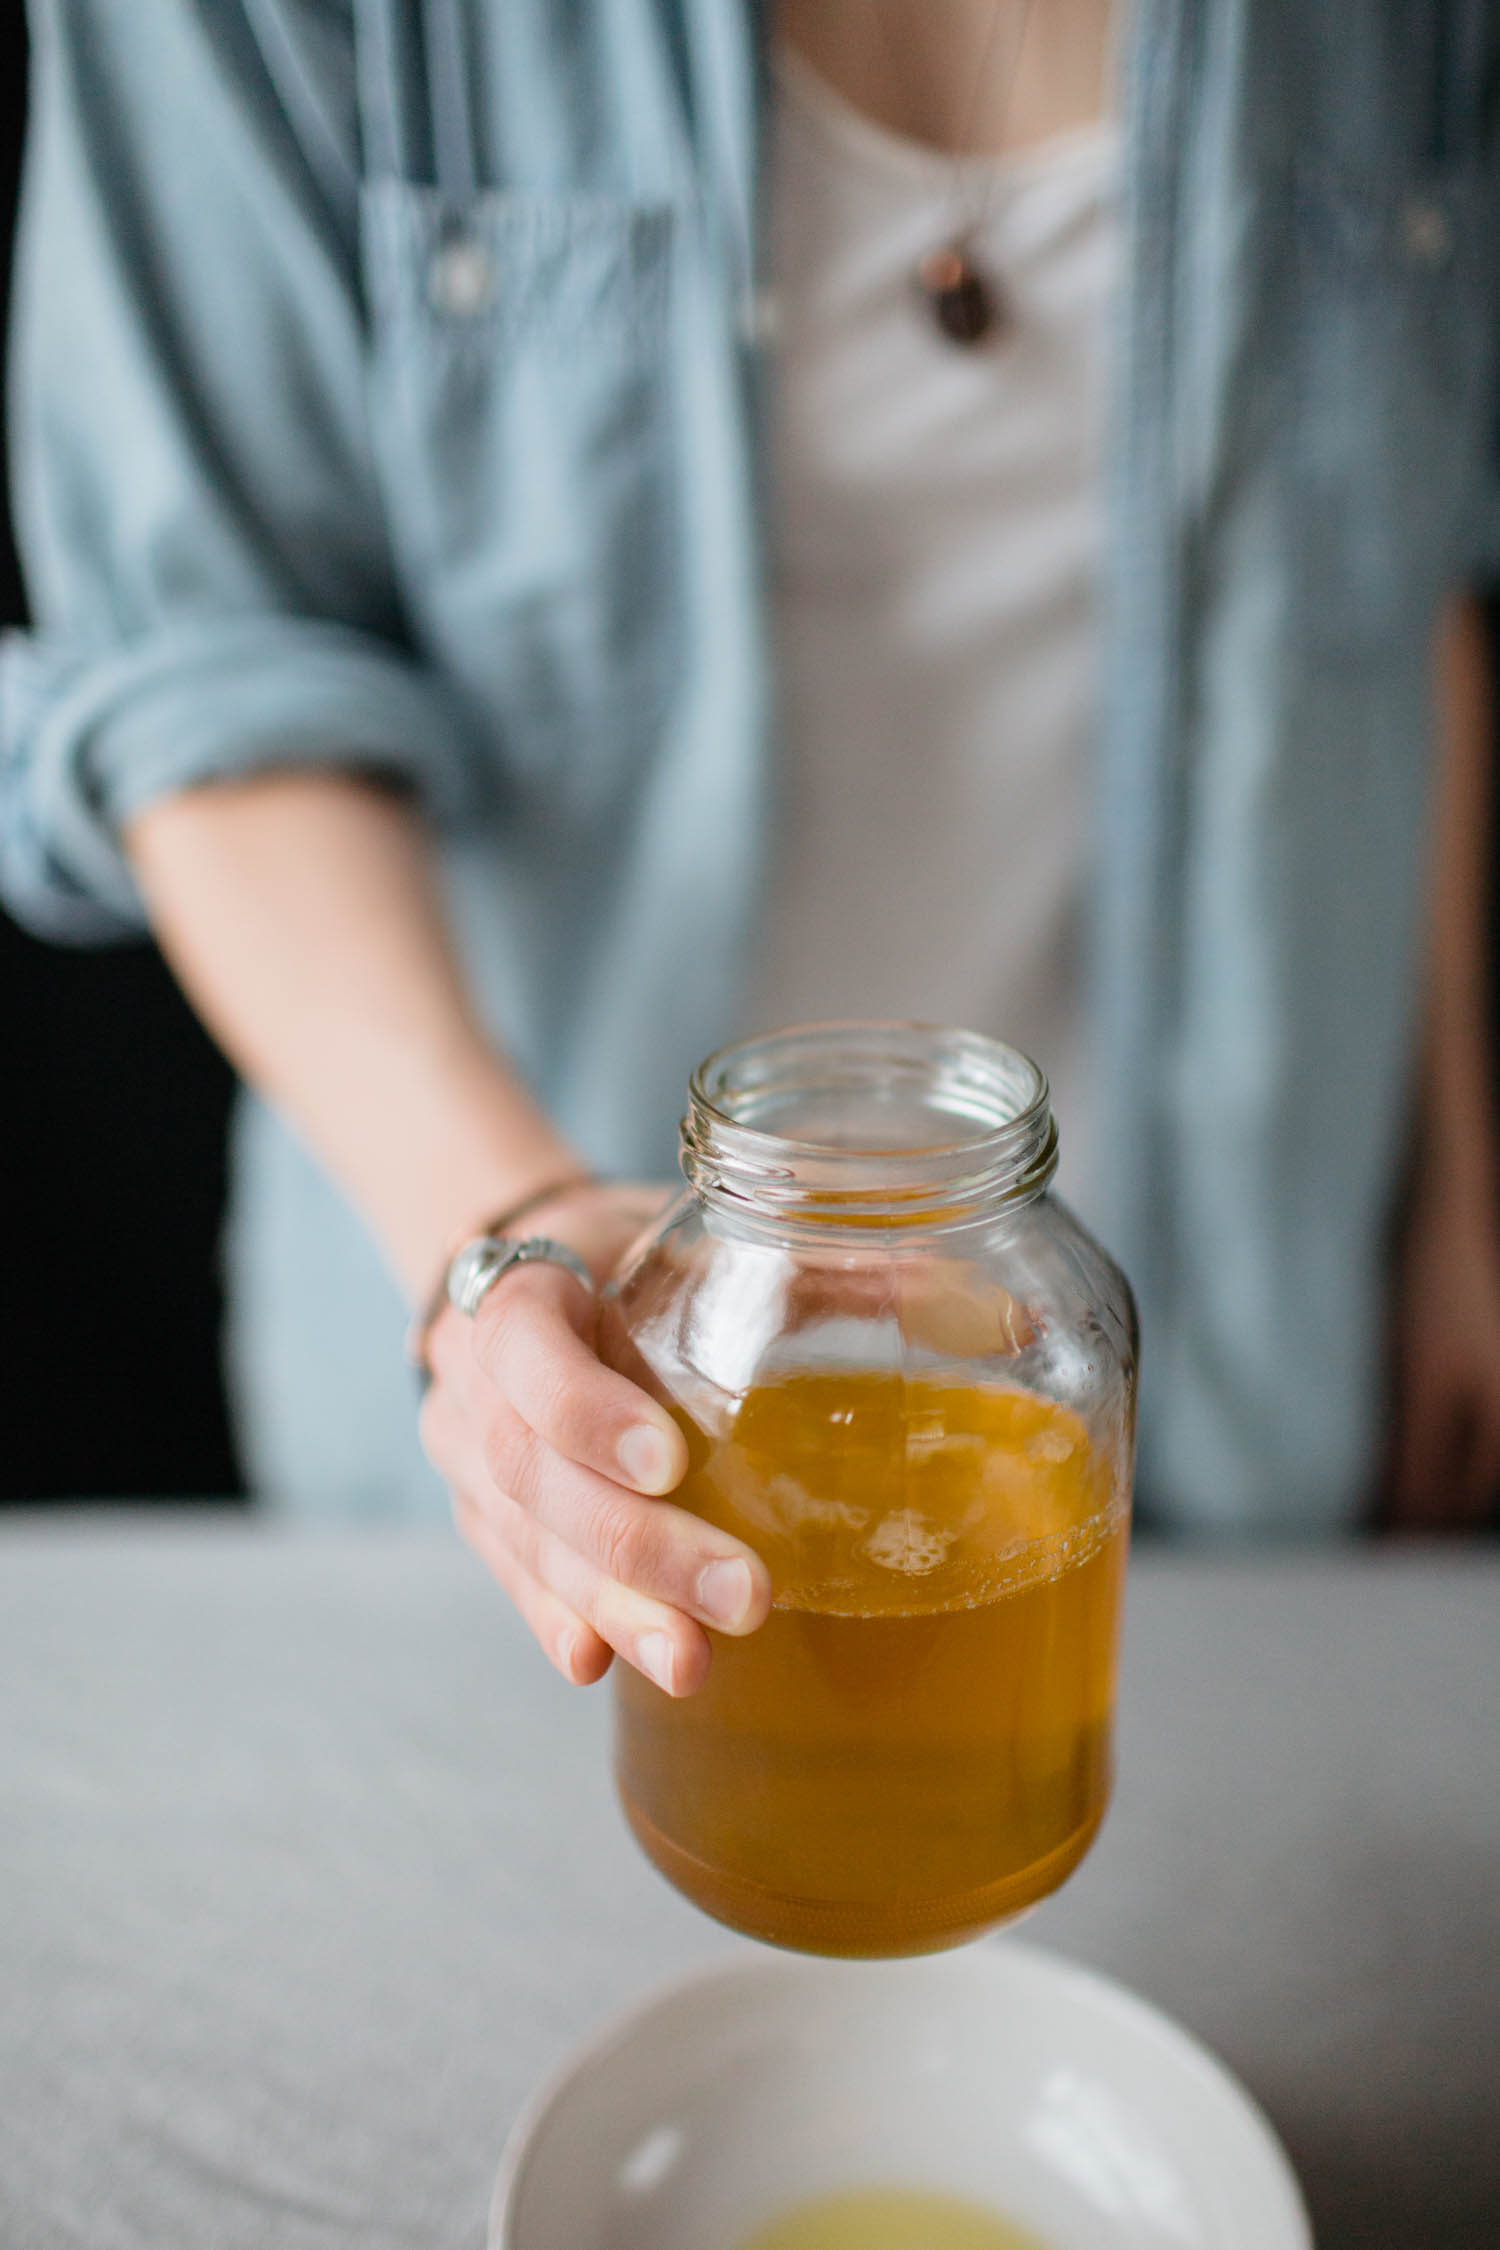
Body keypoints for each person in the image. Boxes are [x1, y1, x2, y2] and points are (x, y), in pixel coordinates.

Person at [3, 2, 1499, 1702]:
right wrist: (506, 1230)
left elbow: (1402, 581)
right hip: (567, 1373)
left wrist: (1454, 1175)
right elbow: (205, 668)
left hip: (1237, 1321)